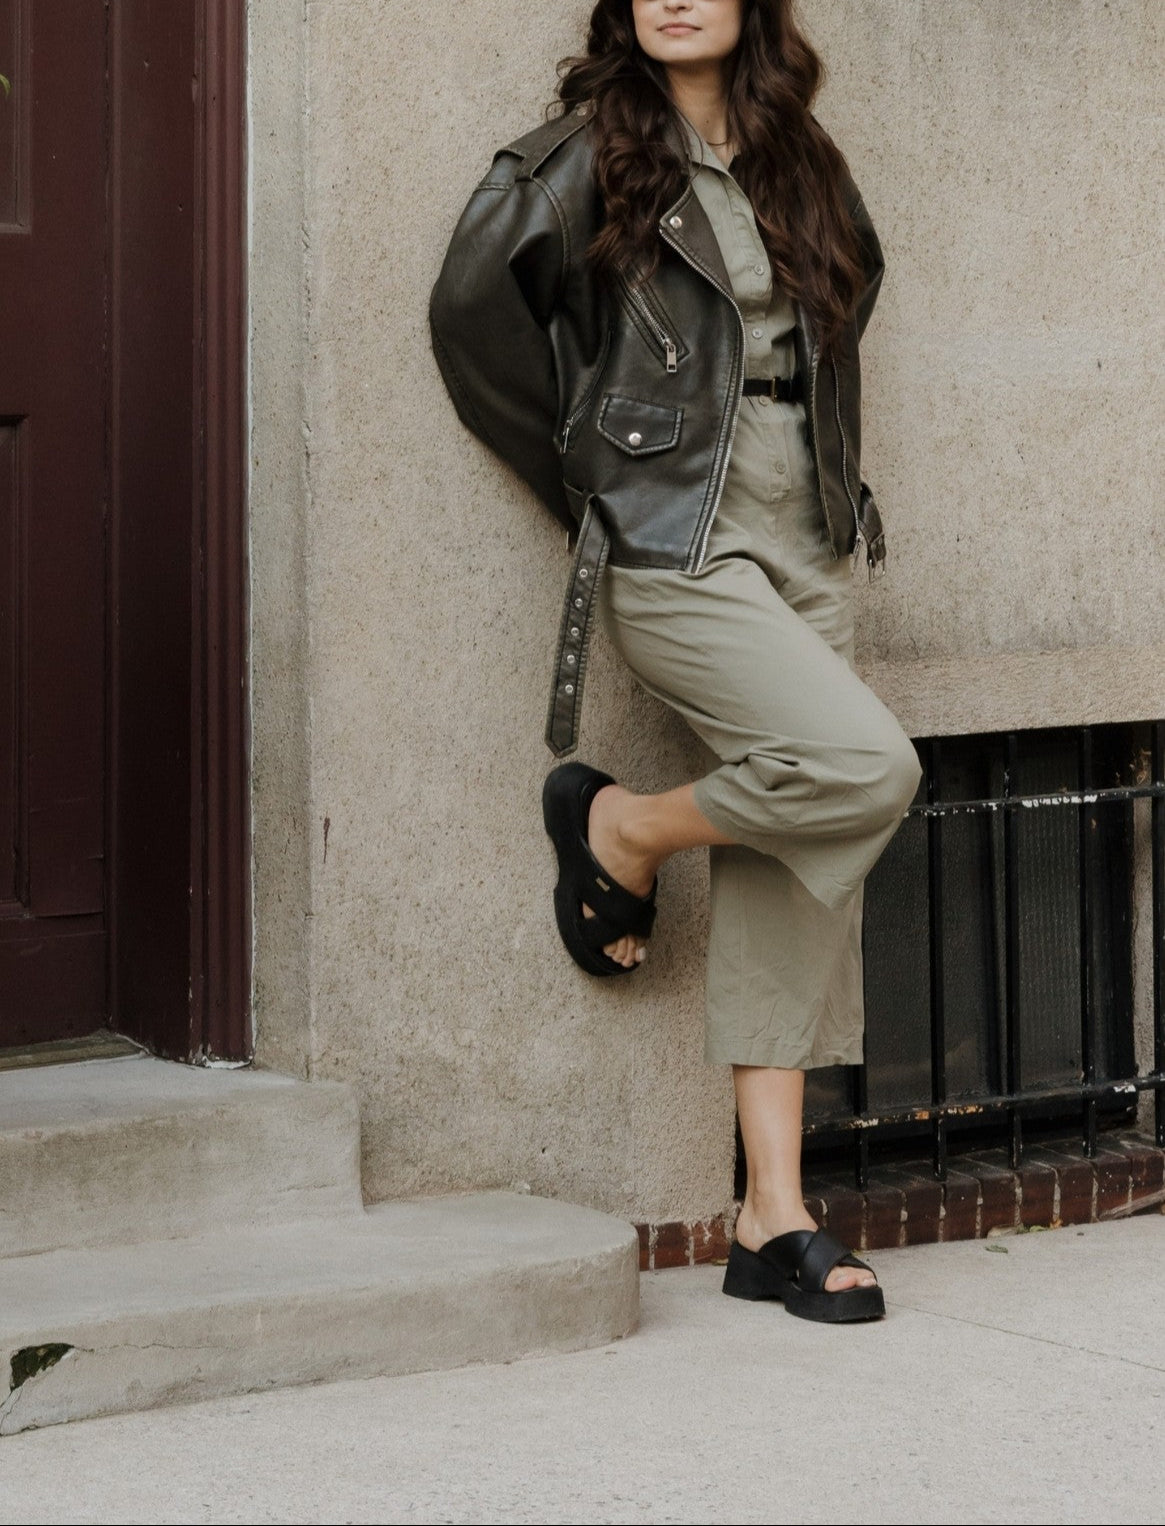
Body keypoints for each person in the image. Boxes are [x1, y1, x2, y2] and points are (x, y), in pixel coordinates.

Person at [430, 0, 922, 1323]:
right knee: (863, 769)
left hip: (805, 530)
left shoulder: (797, 152)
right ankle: (624, 827)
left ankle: (772, 1216)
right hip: (674, 542)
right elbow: (471, 317)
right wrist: (597, 477)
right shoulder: (580, 155)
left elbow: (849, 297)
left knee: (791, 861)